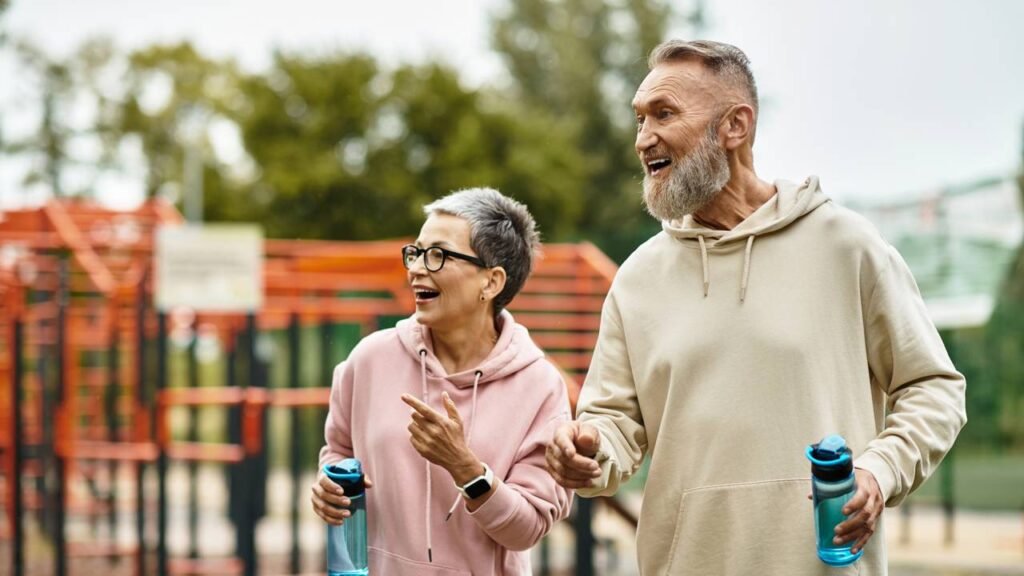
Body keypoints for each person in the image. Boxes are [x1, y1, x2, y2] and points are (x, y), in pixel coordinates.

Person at [545, 39, 967, 575]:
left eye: (664, 114)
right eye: (639, 118)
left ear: (735, 127)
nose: (643, 138)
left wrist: (881, 470)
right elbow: (613, 426)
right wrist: (587, 449)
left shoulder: (845, 245)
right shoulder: (637, 279)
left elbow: (934, 388)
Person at [312, 187, 572, 575]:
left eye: (438, 255)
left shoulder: (541, 387)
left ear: (491, 282)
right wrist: (328, 490)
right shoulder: (368, 360)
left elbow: (528, 529)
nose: (416, 268)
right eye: (415, 252)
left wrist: (466, 468)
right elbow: (338, 453)